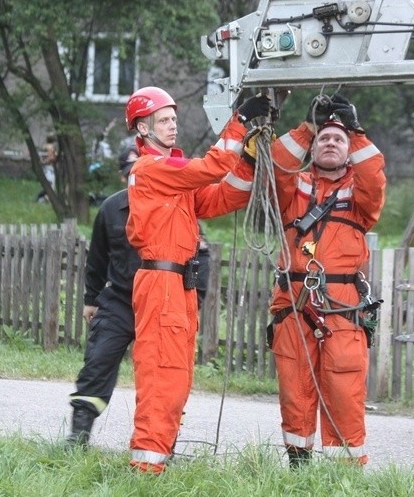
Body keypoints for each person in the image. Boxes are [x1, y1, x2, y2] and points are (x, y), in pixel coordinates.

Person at [124, 86, 265, 473]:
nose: (173, 126)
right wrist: (238, 124)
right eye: (164, 120)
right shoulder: (152, 169)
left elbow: (223, 197)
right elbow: (210, 169)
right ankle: (146, 469)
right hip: (162, 286)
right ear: (143, 127)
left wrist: (248, 161)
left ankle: (158, 458)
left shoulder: (172, 179)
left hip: (178, 286)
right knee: (161, 374)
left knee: (177, 375)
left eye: (173, 119)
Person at [266, 94, 385, 467]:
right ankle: (298, 467)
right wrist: (307, 128)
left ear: (350, 151)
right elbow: (274, 164)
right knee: (295, 385)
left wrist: (357, 132)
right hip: (294, 301)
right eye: (324, 138)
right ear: (313, 147)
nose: (330, 142)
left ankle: (343, 473)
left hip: (343, 303)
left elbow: (374, 174)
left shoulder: (360, 194)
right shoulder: (294, 188)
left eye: (339, 140)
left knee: (344, 387)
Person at [66, 144, 141, 446]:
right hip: (119, 301)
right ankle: (78, 436)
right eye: (132, 171)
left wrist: (194, 301)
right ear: (123, 176)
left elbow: (197, 257)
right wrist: (90, 299)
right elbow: (97, 259)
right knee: (96, 362)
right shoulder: (111, 209)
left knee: (162, 377)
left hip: (161, 302)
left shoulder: (174, 204)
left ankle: (162, 444)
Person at [36, 136, 58, 203]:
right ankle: (44, 199)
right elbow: (51, 158)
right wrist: (45, 161)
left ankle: (46, 199)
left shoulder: (45, 146)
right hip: (50, 169)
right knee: (51, 186)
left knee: (50, 185)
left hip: (47, 169)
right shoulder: (50, 147)